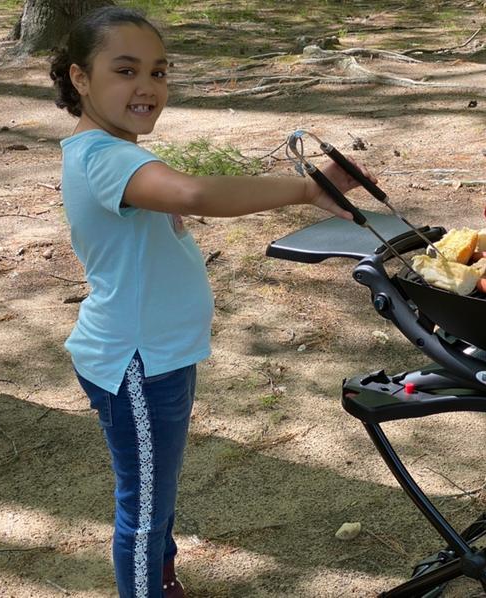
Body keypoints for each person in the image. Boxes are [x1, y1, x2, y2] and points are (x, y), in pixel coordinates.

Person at [49, 7, 373, 598]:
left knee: (156, 491)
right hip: (136, 364)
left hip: (157, 357)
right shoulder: (105, 157)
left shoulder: (113, 152)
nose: (146, 87)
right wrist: (306, 187)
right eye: (125, 70)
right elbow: (196, 191)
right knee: (144, 510)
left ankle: (160, 584)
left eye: (158, 71)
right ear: (80, 79)